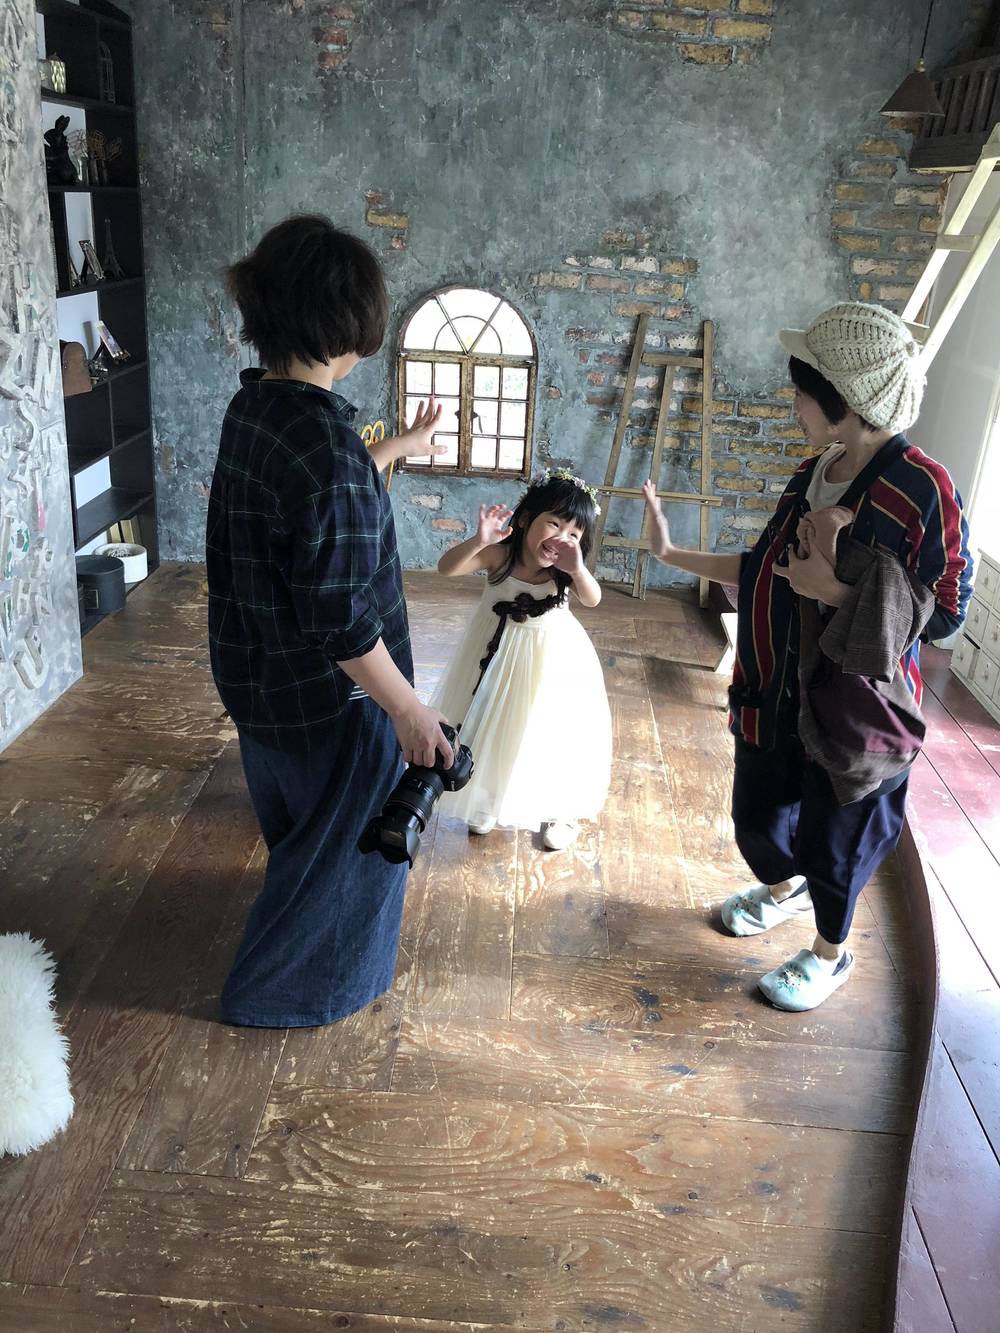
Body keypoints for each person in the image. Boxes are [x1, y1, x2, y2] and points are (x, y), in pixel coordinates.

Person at [643, 302, 972, 1010]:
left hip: (851, 712)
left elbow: (947, 610)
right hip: (773, 687)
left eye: (802, 389)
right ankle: (785, 890)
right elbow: (765, 565)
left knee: (837, 836)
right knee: (759, 814)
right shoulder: (814, 470)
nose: (793, 401)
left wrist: (840, 591)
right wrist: (671, 553)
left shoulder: (923, 488)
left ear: (844, 399)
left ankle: (830, 951)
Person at [206, 214, 453, 1028]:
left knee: (304, 841)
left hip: (262, 689)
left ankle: (286, 964)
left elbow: (309, 508)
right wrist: (408, 709)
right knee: (343, 868)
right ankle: (277, 995)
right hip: (332, 706)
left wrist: (399, 445)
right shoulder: (329, 451)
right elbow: (341, 616)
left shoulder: (256, 411)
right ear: (346, 323)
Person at [432, 469, 612, 851]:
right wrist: (479, 540)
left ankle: (560, 809)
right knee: (487, 723)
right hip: (492, 655)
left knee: (546, 733)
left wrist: (578, 568)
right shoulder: (500, 555)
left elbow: (593, 598)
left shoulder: (564, 571)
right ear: (527, 517)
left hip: (549, 661)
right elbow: (446, 568)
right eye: (554, 524)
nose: (561, 538)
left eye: (574, 533)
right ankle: (485, 798)